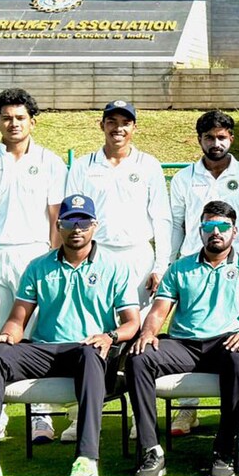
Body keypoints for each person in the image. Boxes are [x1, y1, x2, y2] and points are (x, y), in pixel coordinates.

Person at [0, 194, 140, 476]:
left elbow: (132, 324)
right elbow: (17, 320)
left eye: (83, 222)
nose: (77, 228)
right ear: (58, 226)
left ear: (94, 226)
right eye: (69, 221)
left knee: (89, 353)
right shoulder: (38, 267)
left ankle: (86, 462)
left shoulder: (116, 266)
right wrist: (6, 334)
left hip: (88, 349)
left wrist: (109, 336)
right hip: (45, 349)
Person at [127, 200, 239, 476]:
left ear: (235, 231)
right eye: (209, 226)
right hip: (184, 344)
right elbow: (158, 312)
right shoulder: (180, 268)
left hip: (226, 342)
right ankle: (151, 451)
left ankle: (224, 451)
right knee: (138, 357)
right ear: (200, 230)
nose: (215, 232)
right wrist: (148, 333)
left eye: (223, 227)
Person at [0, 88, 67, 446]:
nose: (13, 123)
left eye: (20, 117)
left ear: (32, 121)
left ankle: (42, 417)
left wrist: (53, 262)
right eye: (7, 118)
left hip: (34, 257)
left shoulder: (51, 162)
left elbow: (56, 218)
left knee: (37, 338)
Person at [65, 99, 171, 441]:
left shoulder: (149, 165)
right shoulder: (83, 166)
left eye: (125, 122)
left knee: (138, 335)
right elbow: (71, 218)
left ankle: (137, 416)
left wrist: (160, 264)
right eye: (112, 121)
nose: (119, 128)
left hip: (138, 257)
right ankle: (78, 414)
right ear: (102, 125)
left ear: (134, 127)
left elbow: (162, 218)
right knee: (88, 330)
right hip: (96, 255)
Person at [168, 110, 239, 436]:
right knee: (190, 335)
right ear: (200, 140)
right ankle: (187, 410)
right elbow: (175, 225)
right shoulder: (183, 178)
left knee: (236, 340)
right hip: (192, 268)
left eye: (222, 137)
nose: (216, 143)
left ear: (231, 139)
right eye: (209, 137)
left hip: (237, 266)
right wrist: (167, 263)